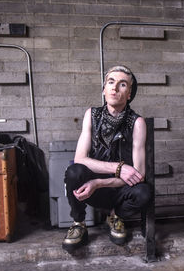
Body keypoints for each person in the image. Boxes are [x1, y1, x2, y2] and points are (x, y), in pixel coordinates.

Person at [62, 65, 152, 252]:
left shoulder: (137, 123)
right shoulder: (92, 115)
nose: (114, 88)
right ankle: (78, 223)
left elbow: (139, 174)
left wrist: (99, 182)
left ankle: (115, 216)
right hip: (92, 191)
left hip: (119, 189)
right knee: (74, 171)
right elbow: (80, 158)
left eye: (122, 85)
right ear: (104, 90)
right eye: (110, 82)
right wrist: (118, 168)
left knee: (144, 192)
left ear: (129, 94)